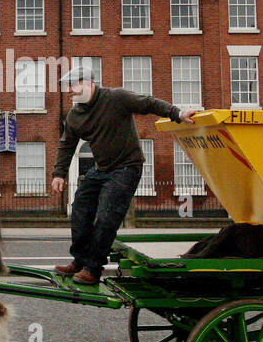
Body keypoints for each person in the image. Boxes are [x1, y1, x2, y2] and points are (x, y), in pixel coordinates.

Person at [51, 67, 200, 283]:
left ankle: (93, 269)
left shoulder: (116, 98)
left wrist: (177, 113)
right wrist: (59, 174)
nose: (69, 92)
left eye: (73, 86)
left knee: (106, 216)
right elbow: (66, 145)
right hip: (101, 169)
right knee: (80, 210)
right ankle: (81, 260)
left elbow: (148, 103)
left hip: (126, 167)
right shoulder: (75, 116)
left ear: (88, 83)